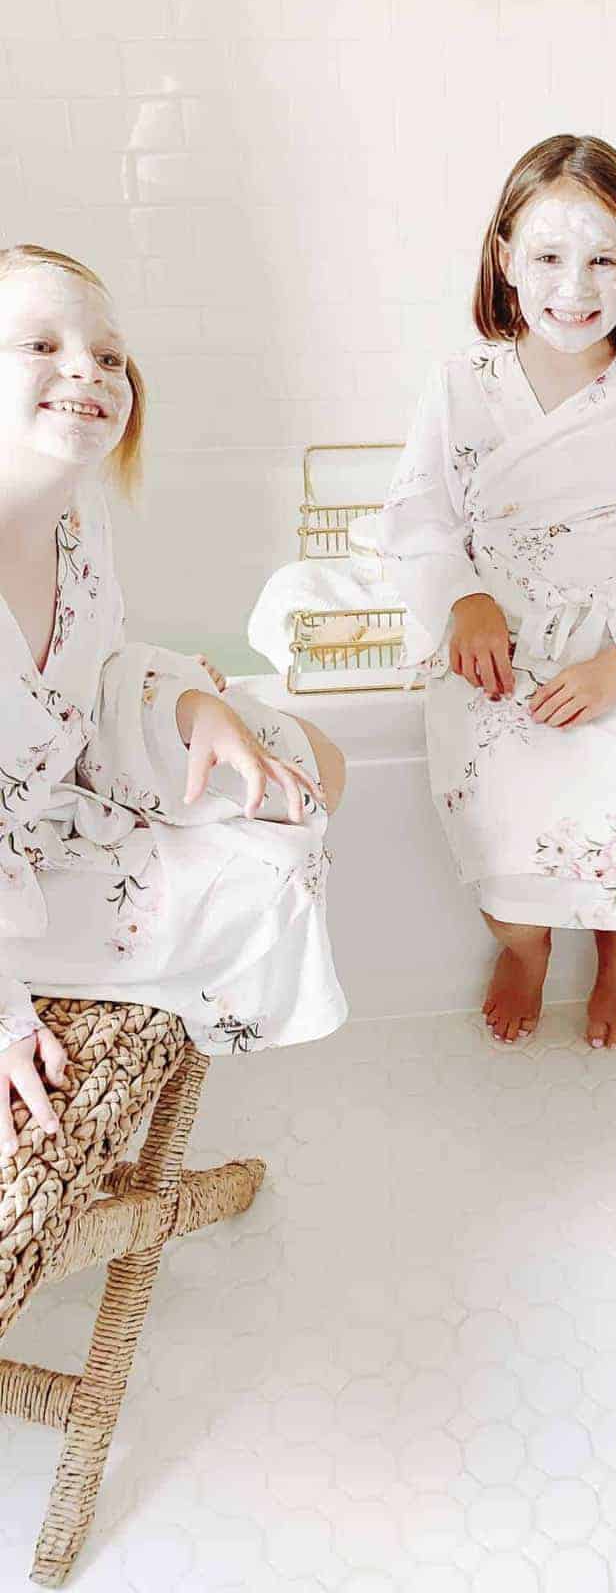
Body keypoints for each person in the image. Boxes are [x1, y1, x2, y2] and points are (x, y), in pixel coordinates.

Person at [370, 135, 616, 1047]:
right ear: (505, 259)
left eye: (603, 258)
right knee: (503, 852)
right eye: (549, 257)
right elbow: (416, 513)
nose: (575, 286)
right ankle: (524, 951)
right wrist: (462, 600)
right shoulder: (461, 384)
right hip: (499, 648)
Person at [0, 245, 347, 1158]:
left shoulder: (76, 519)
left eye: (109, 355)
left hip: (52, 798)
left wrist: (202, 714)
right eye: (39, 344)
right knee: (270, 875)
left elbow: (101, 665)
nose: (87, 369)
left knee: (299, 762)